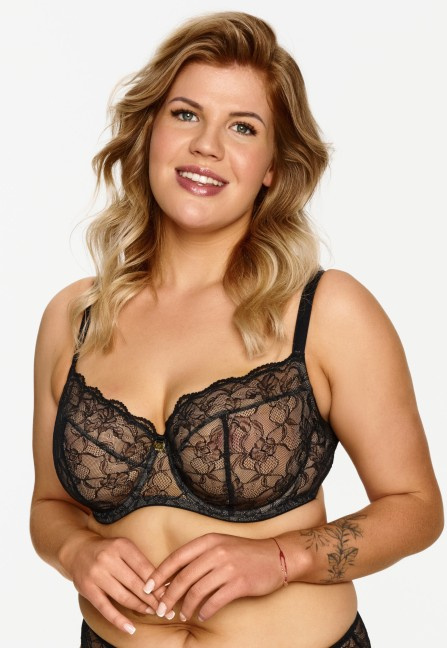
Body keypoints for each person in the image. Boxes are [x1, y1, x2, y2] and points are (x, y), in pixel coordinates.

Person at [30, 11, 443, 648]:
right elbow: (50, 508)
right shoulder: (75, 317)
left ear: (273, 166)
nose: (207, 146)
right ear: (150, 131)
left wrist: (283, 558)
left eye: (243, 127)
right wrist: (76, 552)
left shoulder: (326, 311)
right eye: (186, 114)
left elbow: (416, 507)